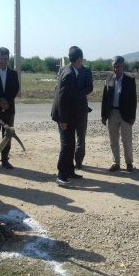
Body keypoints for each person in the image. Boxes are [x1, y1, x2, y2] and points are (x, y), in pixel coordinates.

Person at [51, 46, 84, 185]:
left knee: (70, 144)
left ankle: (69, 170)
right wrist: (63, 120)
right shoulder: (69, 74)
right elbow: (63, 98)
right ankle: (61, 175)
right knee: (66, 145)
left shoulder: (66, 69)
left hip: (70, 116)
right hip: (65, 117)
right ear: (79, 59)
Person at [100, 56, 137, 172]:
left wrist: (132, 117)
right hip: (112, 113)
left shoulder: (130, 80)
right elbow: (104, 99)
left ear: (123, 66)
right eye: (114, 67)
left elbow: (133, 100)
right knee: (113, 140)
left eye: (118, 66)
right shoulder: (109, 78)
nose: (116, 69)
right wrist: (103, 115)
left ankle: (129, 162)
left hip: (125, 114)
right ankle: (116, 163)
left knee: (126, 140)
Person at [74, 52, 93, 169]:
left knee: (81, 137)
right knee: (69, 138)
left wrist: (77, 94)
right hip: (69, 110)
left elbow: (90, 87)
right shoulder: (65, 70)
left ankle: (79, 160)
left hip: (81, 109)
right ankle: (68, 160)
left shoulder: (86, 71)